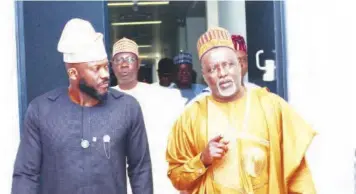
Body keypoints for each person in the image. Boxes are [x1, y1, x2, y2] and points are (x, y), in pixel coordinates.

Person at [166, 27, 316, 193]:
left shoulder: (272, 106)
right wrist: (202, 160)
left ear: (240, 65)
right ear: (204, 75)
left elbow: (298, 174)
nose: (222, 73)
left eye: (228, 65)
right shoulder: (191, 117)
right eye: (212, 69)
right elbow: (177, 177)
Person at [11, 18, 153, 194]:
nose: (105, 74)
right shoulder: (41, 111)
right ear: (73, 73)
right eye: (96, 68)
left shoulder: (127, 108)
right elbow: (26, 175)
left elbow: (140, 170)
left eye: (105, 66)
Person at [111, 37, 184, 193]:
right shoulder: (106, 99)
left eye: (130, 59)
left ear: (138, 64)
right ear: (112, 65)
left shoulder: (161, 96)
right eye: (119, 59)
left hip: (156, 177)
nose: (124, 64)